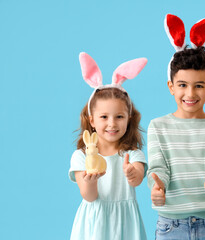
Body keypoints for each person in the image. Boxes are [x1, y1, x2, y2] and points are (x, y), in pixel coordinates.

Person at [146, 14, 205, 240]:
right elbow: (157, 167)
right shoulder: (157, 126)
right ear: (171, 86)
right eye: (182, 85)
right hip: (170, 226)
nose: (190, 94)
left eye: (199, 86)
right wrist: (158, 187)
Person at [69, 52, 148, 240]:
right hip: (94, 224)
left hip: (126, 224)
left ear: (129, 119)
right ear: (92, 120)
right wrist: (90, 181)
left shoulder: (132, 154)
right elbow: (89, 197)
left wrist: (132, 173)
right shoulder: (81, 156)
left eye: (119, 117)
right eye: (104, 117)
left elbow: (137, 179)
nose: (112, 124)